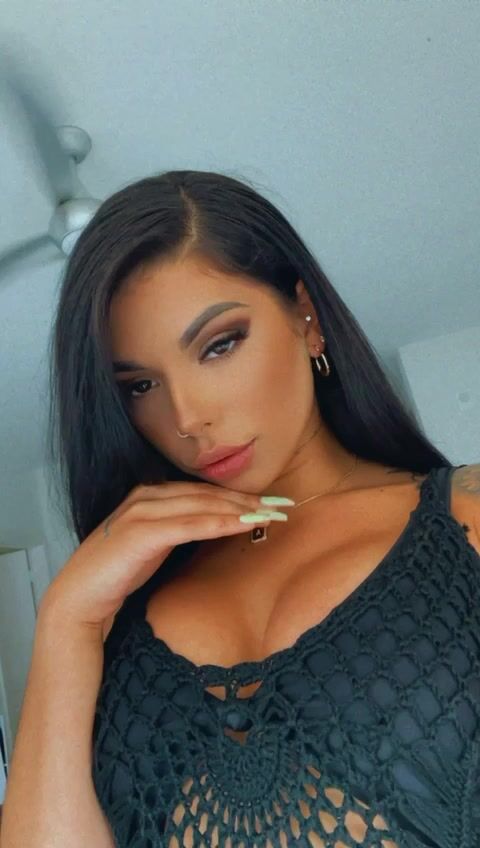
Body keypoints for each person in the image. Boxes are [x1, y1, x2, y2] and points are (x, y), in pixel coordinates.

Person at [1, 170, 479, 848]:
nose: (186, 417)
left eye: (219, 344)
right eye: (140, 386)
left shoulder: (461, 522)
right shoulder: (114, 617)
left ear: (306, 317)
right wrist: (66, 620)